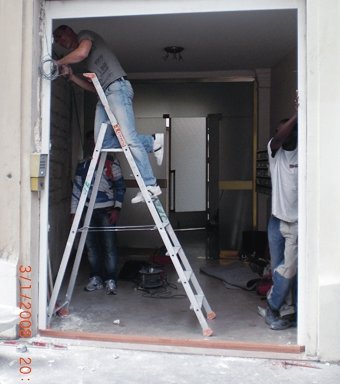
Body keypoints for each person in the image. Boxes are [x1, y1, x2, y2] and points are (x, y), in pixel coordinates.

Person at [53, 25, 164, 204]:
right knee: (101, 142)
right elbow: (93, 88)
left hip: (117, 88)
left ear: (70, 31)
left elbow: (81, 53)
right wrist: (72, 77)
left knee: (129, 138)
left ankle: (151, 185)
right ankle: (152, 142)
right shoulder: (85, 62)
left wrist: (58, 63)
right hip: (104, 95)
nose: (60, 41)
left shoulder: (85, 35)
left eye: (60, 36)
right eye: (57, 40)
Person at [71, 131, 126, 295]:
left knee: (109, 246)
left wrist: (117, 208)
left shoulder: (112, 163)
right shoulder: (83, 165)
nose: (94, 145)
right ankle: (96, 278)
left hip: (107, 210)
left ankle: (111, 279)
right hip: (87, 210)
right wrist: (74, 213)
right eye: (91, 142)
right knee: (91, 247)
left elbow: (120, 187)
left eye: (97, 142)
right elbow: (76, 190)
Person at [264, 110, 298, 330]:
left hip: (296, 223)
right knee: (279, 269)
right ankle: (283, 308)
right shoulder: (275, 153)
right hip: (276, 221)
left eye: (284, 131)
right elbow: (277, 140)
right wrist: (297, 113)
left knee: (289, 271)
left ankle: (275, 307)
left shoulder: (304, 153)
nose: (279, 135)